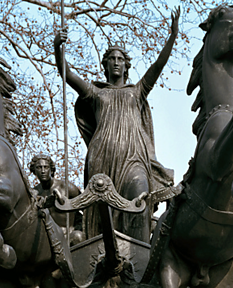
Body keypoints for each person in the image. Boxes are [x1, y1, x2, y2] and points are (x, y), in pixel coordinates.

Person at [54, 8, 180, 243]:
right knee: (103, 214)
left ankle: (140, 253)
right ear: (105, 64)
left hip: (133, 158)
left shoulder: (137, 91)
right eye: (111, 59)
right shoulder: (96, 93)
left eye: (120, 59)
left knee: (140, 194)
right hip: (102, 158)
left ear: (126, 66)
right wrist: (57, 47)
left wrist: (172, 36)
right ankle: (102, 255)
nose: (116, 62)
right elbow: (66, 73)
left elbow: (157, 67)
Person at [29, 154, 84, 244]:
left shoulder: (66, 187)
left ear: (51, 170)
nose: (43, 171)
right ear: (34, 171)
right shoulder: (34, 194)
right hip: (48, 239)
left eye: (46, 167)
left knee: (78, 237)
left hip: (69, 235)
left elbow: (85, 207)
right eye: (39, 167)